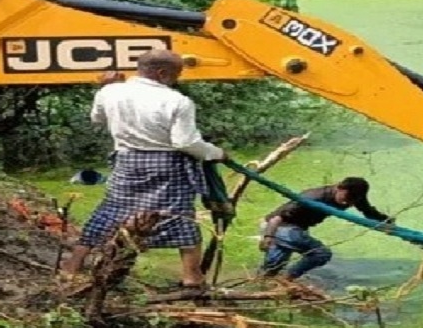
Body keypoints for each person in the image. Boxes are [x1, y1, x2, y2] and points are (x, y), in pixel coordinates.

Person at [59, 50, 228, 293]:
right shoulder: (178, 101)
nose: (177, 79)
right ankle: (192, 277)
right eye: (175, 74)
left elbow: (97, 118)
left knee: (110, 211)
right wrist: (216, 153)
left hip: (127, 161)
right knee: (179, 216)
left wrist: (108, 89)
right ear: (162, 73)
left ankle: (71, 267)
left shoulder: (110, 91)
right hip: (168, 165)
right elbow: (185, 143)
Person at [258, 177, 394, 281]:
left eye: (353, 200)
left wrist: (386, 221)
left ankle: (265, 283)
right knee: (321, 253)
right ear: (339, 188)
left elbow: (367, 211)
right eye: (347, 198)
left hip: (297, 228)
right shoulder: (314, 197)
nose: (348, 203)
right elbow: (277, 218)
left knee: (271, 269)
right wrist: (268, 237)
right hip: (279, 226)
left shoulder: (356, 196)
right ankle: (287, 279)